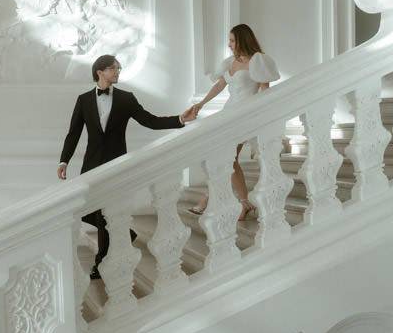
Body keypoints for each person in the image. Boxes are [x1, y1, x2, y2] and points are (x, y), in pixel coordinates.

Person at [58, 54, 198, 279]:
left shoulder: (126, 98)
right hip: (92, 165)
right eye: (114, 69)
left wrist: (179, 119)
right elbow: (73, 133)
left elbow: (149, 120)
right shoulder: (83, 100)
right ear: (100, 72)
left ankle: (101, 263)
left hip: (116, 164)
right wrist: (64, 160)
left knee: (105, 214)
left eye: (119, 68)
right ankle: (125, 231)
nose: (118, 72)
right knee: (87, 211)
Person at [189, 24, 280, 220]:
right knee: (228, 159)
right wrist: (201, 104)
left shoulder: (258, 60)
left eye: (232, 40)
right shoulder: (230, 62)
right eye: (229, 40)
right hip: (228, 114)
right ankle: (243, 203)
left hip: (245, 115)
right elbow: (220, 85)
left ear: (242, 40)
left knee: (226, 158)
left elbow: (265, 89)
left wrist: (265, 116)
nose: (229, 44)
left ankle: (211, 199)